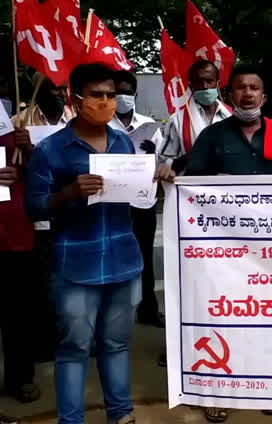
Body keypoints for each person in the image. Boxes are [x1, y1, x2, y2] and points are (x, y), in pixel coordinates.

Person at [25, 63, 175, 424]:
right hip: (76, 264)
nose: (107, 101)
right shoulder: (51, 150)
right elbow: (34, 207)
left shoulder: (123, 141)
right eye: (97, 95)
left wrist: (156, 179)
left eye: (110, 95)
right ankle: (71, 420)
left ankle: (120, 414)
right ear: (76, 99)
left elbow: (137, 195)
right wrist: (69, 193)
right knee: (74, 348)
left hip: (123, 261)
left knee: (116, 345)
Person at [186, 65, 272, 422]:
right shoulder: (213, 137)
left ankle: (269, 385)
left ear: (264, 97)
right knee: (224, 317)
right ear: (228, 95)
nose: (247, 94)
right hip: (224, 250)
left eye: (254, 88)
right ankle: (219, 391)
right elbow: (192, 189)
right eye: (240, 88)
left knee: (271, 319)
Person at [109, 70, 165, 327]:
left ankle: (148, 310)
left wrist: (156, 160)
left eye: (127, 93)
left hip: (143, 200)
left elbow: (163, 160)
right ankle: (113, 315)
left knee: (143, 255)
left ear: (135, 94)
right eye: (118, 92)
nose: (123, 97)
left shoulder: (149, 125)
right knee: (113, 255)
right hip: (112, 202)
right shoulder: (103, 124)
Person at [0, 124, 40, 404]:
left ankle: (21, 378)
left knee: (19, 313)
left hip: (15, 233)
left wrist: (26, 158)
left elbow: (48, 177)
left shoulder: (16, 133)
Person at [158, 59, 231, 173]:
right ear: (191, 86)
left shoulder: (232, 116)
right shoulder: (177, 120)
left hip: (226, 187)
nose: (205, 86)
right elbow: (164, 160)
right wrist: (187, 159)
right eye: (199, 82)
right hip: (192, 187)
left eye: (209, 81)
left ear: (217, 84)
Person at [11, 72, 75, 128]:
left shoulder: (76, 119)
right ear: (40, 91)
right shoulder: (19, 122)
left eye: (64, 89)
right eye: (56, 88)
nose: (63, 94)